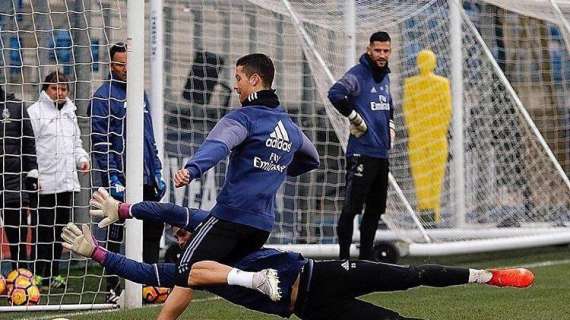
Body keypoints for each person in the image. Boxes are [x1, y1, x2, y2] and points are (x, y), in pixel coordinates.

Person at [62, 188, 534, 320]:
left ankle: (486, 275)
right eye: (181, 236)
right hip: (306, 307)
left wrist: (127, 209)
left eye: (186, 232)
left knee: (408, 274)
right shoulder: (191, 270)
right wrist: (98, 253)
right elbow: (145, 270)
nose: (185, 235)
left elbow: (179, 211)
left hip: (322, 274)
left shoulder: (226, 233)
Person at [171, 53, 319, 316]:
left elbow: (219, 145)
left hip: (231, 217)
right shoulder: (288, 125)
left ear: (254, 79)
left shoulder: (245, 118)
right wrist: (282, 167)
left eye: (238, 78)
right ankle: (293, 300)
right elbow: (312, 158)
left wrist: (192, 169)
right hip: (261, 225)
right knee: (224, 278)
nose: (236, 85)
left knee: (186, 269)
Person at [89, 42, 166, 301]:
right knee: (116, 232)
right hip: (119, 178)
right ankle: (112, 286)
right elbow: (101, 142)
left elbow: (149, 135)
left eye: (129, 64)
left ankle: (150, 283)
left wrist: (156, 169)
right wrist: (112, 176)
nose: (125, 69)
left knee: (154, 226)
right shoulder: (102, 96)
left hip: (144, 176)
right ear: (111, 65)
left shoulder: (139, 93)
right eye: (121, 64)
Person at [328, 31, 396, 260]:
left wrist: (391, 126)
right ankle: (344, 259)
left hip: (380, 154)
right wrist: (354, 117)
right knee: (351, 208)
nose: (382, 55)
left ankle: (366, 259)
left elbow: (389, 106)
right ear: (369, 50)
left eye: (386, 50)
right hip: (361, 153)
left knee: (375, 210)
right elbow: (336, 94)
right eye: (378, 50)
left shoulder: (385, 76)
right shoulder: (358, 74)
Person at [27, 70, 90, 288]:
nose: (59, 93)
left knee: (60, 231)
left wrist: (82, 159)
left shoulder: (70, 113)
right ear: (46, 89)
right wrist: (33, 174)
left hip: (65, 183)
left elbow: (76, 144)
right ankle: (36, 274)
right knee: (42, 230)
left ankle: (54, 274)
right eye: (55, 88)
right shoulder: (34, 113)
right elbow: (29, 147)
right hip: (43, 184)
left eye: (63, 89)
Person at [0, 85, 39, 271]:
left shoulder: (15, 106)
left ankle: (22, 276)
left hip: (12, 182)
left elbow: (29, 141)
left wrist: (32, 171)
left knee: (17, 236)